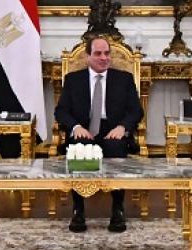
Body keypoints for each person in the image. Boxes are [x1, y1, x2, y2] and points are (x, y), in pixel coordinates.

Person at [53, 35, 144, 233]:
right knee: (81, 149)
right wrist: (76, 127)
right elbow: (61, 111)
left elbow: (136, 111)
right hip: (84, 130)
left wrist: (122, 128)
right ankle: (78, 210)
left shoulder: (124, 79)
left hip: (113, 131)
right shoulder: (73, 80)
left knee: (116, 148)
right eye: (98, 54)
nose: (104, 58)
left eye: (107, 53)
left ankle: (117, 209)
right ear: (88, 56)